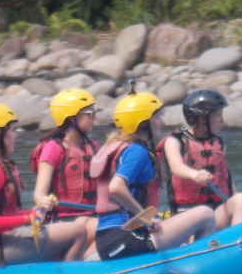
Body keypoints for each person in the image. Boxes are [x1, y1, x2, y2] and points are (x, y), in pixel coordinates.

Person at [0, 103, 88, 267]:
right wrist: (27, 219)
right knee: (78, 232)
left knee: (61, 229)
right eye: (12, 130)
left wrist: (29, 213)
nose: (16, 136)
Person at [91, 89, 216, 261]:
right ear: (142, 124)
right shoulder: (137, 152)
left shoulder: (120, 146)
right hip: (125, 238)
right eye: (156, 118)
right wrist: (144, 218)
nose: (161, 122)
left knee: (182, 241)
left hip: (108, 239)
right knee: (205, 214)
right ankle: (204, 268)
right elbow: (116, 187)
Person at [159, 89, 242, 230]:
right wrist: (194, 174)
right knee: (205, 213)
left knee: (241, 199)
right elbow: (176, 166)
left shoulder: (218, 142)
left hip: (216, 212)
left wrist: (238, 202)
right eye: (217, 116)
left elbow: (225, 177)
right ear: (202, 119)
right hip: (188, 215)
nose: (222, 121)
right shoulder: (175, 141)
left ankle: (241, 241)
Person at [30, 88, 100, 255]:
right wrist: (43, 201)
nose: (95, 117)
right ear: (71, 117)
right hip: (65, 219)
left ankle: (90, 260)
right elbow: (39, 193)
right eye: (90, 113)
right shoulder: (53, 148)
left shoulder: (94, 146)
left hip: (93, 214)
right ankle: (82, 264)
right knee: (110, 229)